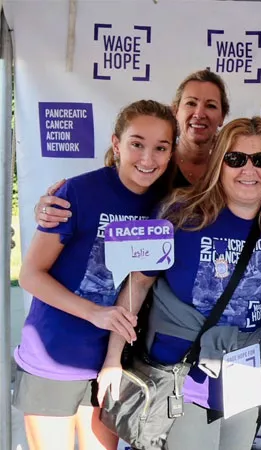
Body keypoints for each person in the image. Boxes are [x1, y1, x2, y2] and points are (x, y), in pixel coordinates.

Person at [97, 117, 261, 449]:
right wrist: (112, 359)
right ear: (219, 164)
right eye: (236, 159)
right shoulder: (181, 214)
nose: (249, 169)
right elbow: (137, 285)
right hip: (180, 379)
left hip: (244, 381)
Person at [13, 100, 177, 450]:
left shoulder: (168, 205)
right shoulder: (76, 192)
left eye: (160, 148)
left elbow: (142, 282)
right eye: (137, 144)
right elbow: (30, 276)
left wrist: (113, 357)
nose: (148, 158)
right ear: (117, 144)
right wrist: (95, 313)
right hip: (53, 354)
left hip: (112, 363)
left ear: (170, 152)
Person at [35, 69, 230, 227]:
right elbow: (104, 201)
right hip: (146, 271)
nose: (199, 113)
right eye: (191, 103)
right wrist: (50, 209)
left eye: (211, 106)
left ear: (222, 116)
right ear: (175, 110)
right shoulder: (151, 164)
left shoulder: (232, 167)